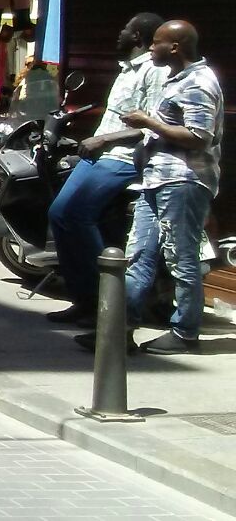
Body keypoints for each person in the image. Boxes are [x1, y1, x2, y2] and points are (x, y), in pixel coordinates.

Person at [45, 13, 167, 326]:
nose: (119, 34)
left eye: (125, 29)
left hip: (124, 158)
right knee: (59, 214)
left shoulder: (154, 72)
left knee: (76, 214)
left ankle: (108, 301)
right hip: (99, 154)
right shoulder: (127, 70)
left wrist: (104, 138)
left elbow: (153, 125)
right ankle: (83, 298)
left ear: (137, 36)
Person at [117, 20, 223, 355]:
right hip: (156, 179)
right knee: (138, 255)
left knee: (181, 258)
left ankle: (185, 332)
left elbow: (198, 137)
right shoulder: (174, 79)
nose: (150, 48)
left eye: (156, 43)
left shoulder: (198, 82)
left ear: (174, 47)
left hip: (182, 182)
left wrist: (148, 122)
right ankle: (119, 327)